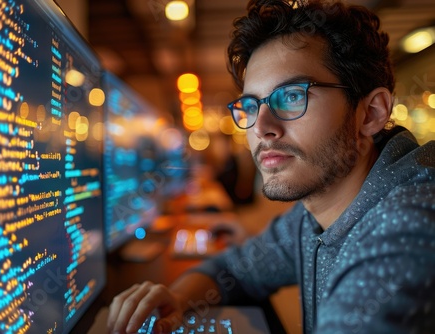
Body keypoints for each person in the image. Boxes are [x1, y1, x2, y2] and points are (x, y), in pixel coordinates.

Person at [107, 0, 435, 333]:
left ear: (371, 113)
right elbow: (236, 269)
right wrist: (174, 299)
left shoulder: (408, 229)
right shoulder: (315, 213)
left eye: (292, 96)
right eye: (250, 106)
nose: (261, 127)